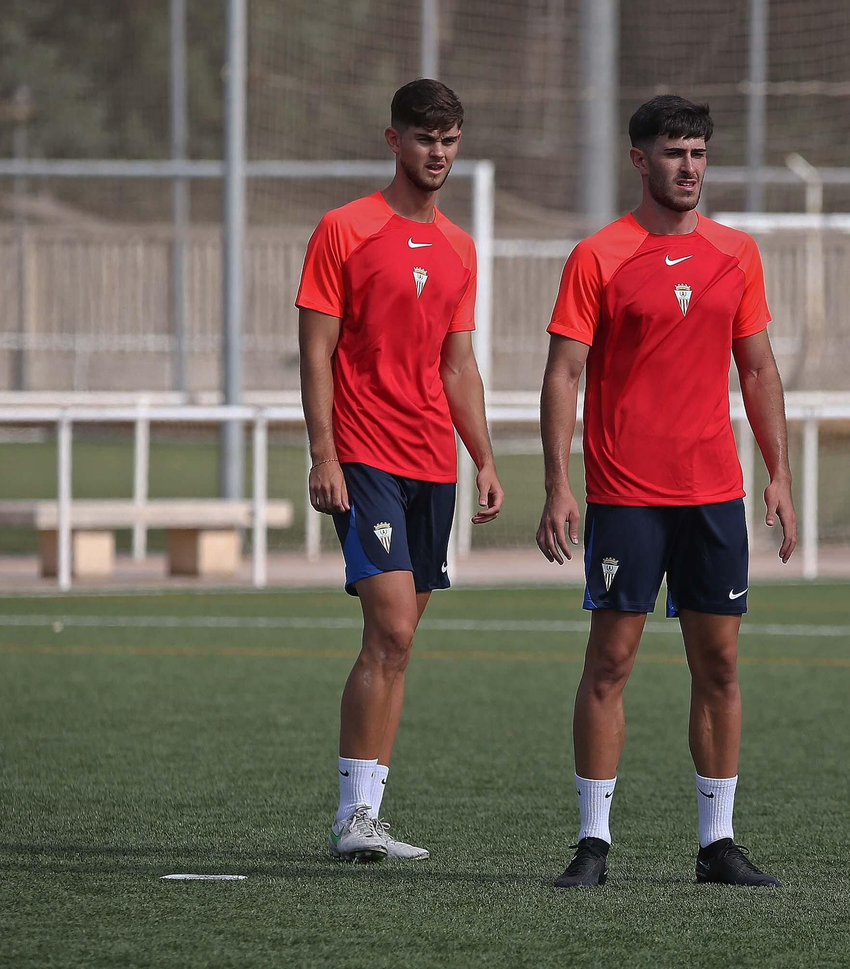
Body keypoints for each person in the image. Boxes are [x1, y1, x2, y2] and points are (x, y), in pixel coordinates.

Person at [537, 95, 797, 888]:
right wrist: (556, 482)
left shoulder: (737, 254)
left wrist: (778, 470)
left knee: (719, 664)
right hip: (625, 493)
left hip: (713, 492)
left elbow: (756, 367)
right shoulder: (600, 255)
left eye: (700, 153)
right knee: (610, 662)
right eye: (675, 152)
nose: (690, 167)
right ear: (640, 160)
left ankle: (717, 842)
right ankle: (592, 841)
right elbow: (563, 373)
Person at [297, 79, 503, 863]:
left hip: (432, 464)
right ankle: (352, 814)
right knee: (389, 624)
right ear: (393, 140)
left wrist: (482, 454)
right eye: (424, 138)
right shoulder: (344, 230)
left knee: (401, 640)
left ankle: (370, 818)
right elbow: (316, 350)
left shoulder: (459, 246)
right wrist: (324, 452)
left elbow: (458, 364)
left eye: (450, 139)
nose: (438, 153)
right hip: (365, 455)